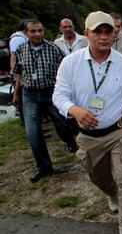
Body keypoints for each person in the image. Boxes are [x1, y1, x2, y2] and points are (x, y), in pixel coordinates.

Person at [53, 11, 122, 234]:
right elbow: (59, 95)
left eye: (108, 31)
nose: (104, 37)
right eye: (98, 32)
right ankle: (111, 193)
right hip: (88, 136)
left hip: (120, 130)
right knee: (98, 176)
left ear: (114, 34)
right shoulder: (70, 63)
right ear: (86, 34)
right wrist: (74, 110)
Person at [12, 19, 78, 183]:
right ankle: (44, 166)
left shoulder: (53, 49)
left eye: (40, 31)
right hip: (30, 94)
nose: (37, 34)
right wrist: (16, 94)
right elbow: (19, 73)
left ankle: (70, 140)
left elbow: (65, 70)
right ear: (26, 33)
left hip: (51, 92)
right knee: (32, 131)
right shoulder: (20, 49)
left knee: (63, 123)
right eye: (33, 31)